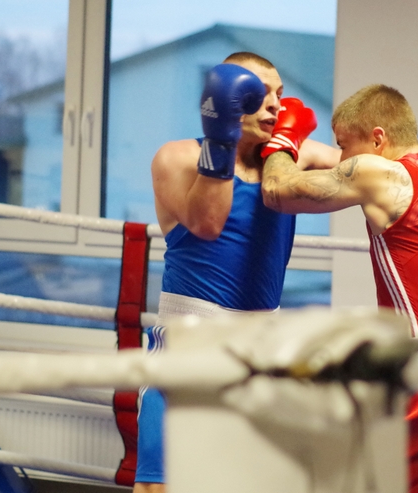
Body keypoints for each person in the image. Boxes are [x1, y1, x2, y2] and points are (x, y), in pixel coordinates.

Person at [261, 84, 418, 493]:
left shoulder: (380, 174)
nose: (343, 159)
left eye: (344, 146)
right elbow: (338, 164)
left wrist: (282, 139)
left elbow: (276, 192)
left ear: (378, 139)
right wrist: (307, 149)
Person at [133, 52, 338, 493]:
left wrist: (415, 155)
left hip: (261, 356)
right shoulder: (178, 156)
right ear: (227, 98)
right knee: (160, 486)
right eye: (260, 93)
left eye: (280, 94)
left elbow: (365, 173)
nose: (276, 104)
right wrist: (221, 139)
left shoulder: (288, 159)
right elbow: (208, 224)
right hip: (188, 349)